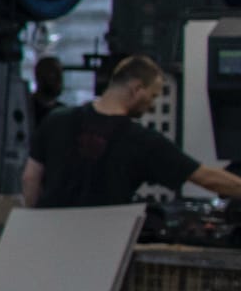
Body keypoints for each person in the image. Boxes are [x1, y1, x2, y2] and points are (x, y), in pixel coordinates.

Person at [23, 53, 241, 209]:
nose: (153, 105)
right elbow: (206, 178)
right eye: (153, 95)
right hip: (104, 246)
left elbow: (30, 178)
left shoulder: (57, 120)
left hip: (49, 239)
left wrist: (39, 219)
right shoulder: (142, 141)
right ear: (137, 89)